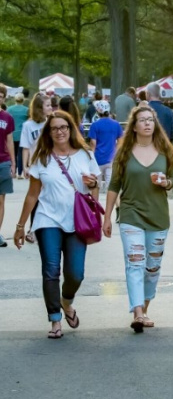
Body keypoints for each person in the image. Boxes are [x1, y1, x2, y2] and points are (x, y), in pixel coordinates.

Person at [13, 111, 100, 338]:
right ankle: (55, 320)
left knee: (76, 274)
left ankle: (66, 302)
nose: (60, 132)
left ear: (71, 129)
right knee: (51, 270)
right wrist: (21, 226)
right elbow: (32, 195)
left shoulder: (85, 155)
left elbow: (95, 190)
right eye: (54, 128)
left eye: (63, 127)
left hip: (77, 222)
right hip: (47, 219)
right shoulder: (42, 159)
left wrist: (93, 185)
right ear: (49, 133)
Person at [103, 106, 173, 333]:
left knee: (152, 267)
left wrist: (167, 183)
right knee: (135, 262)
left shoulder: (165, 150)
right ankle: (137, 312)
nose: (147, 123)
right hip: (131, 214)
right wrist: (106, 217)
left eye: (151, 120)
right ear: (134, 127)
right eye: (142, 120)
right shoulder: (124, 153)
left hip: (158, 216)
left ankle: (145, 308)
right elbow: (114, 186)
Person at [88, 100, 123, 192]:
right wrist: (115, 154)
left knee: (96, 187)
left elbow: (93, 144)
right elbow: (120, 141)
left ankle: (95, 206)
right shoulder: (116, 124)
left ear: (98, 111)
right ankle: (116, 205)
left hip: (98, 159)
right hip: (111, 159)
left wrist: (90, 158)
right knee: (111, 188)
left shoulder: (94, 125)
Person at [20, 93, 52, 180]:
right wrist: (25, 167)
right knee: (35, 192)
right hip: (35, 164)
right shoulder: (28, 125)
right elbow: (25, 147)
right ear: (39, 108)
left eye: (50, 105)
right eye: (48, 105)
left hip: (51, 163)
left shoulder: (51, 122)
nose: (51, 107)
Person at [0, 84, 16, 247]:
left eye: (1, 96)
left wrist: (13, 162)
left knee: (1, 200)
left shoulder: (7, 117)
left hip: (3, 161)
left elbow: (10, 140)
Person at [8, 92, 28, 178]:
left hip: (12, 134)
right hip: (22, 134)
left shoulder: (9, 109)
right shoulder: (26, 110)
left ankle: (13, 171)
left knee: (13, 153)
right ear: (23, 100)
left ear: (15, 99)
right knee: (20, 154)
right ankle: (20, 173)